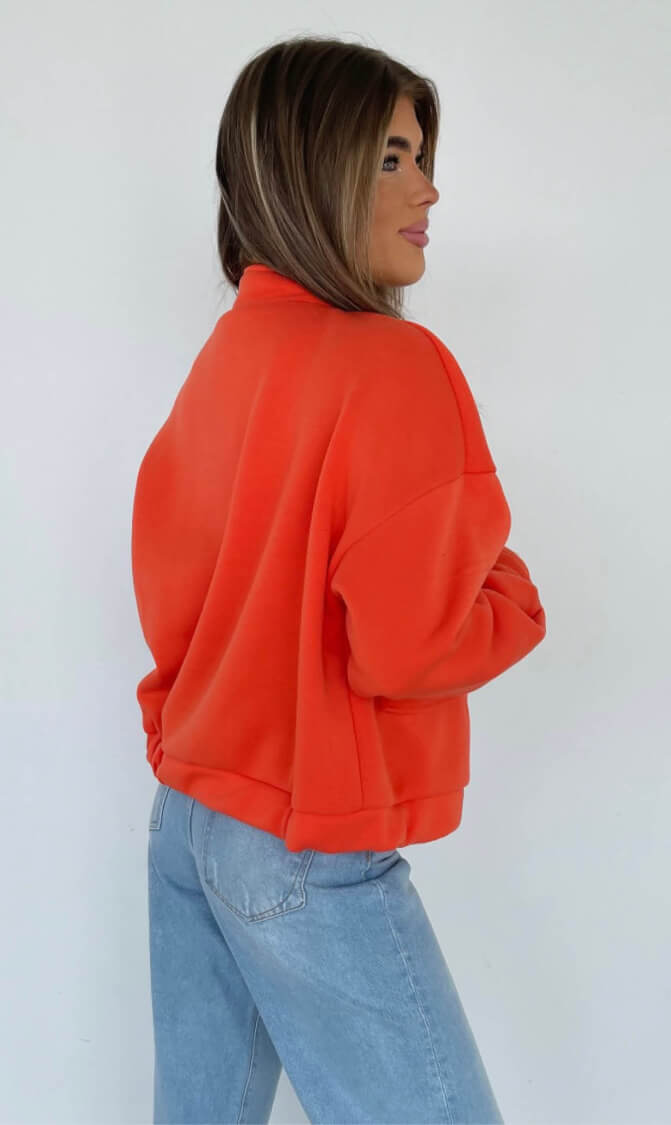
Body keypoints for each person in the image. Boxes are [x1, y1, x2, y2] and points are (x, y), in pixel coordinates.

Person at [131, 34, 547, 1125]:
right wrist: (511, 603)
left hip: (190, 813)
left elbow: (172, 588)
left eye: (421, 158)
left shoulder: (229, 354)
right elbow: (407, 645)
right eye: (391, 158)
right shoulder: (394, 366)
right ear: (313, 170)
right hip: (300, 842)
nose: (427, 189)